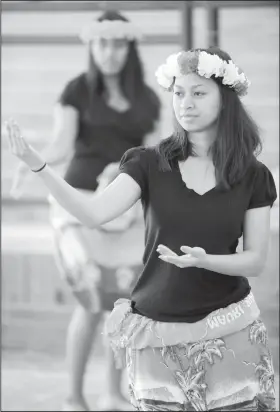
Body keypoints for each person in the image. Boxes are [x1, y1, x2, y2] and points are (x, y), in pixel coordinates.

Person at [5, 46, 278, 411]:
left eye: (198, 93)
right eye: (179, 93)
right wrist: (39, 166)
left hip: (231, 329)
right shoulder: (149, 163)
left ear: (225, 100)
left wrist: (204, 260)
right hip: (157, 338)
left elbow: (256, 261)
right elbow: (92, 213)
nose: (186, 104)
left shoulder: (253, 175)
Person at [9, 10, 161, 412]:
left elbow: (150, 155)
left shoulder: (147, 98)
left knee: (122, 304)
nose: (109, 53)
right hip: (78, 204)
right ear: (92, 47)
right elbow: (62, 144)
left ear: (129, 46)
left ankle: (112, 395)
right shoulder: (77, 91)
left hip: (126, 207)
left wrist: (126, 170)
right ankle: (73, 397)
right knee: (90, 300)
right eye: (101, 43)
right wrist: (32, 160)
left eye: (116, 44)